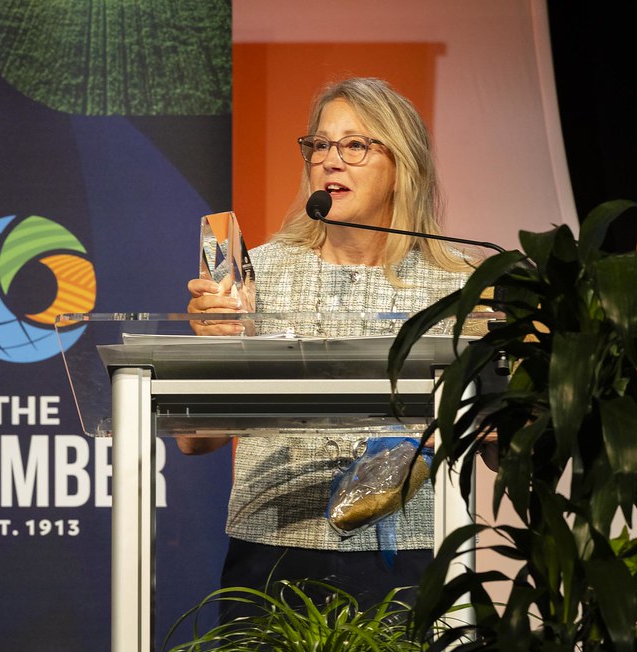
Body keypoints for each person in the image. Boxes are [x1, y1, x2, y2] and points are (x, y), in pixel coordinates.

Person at [177, 77, 489, 619]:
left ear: (403, 165)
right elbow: (195, 441)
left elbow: (498, 445)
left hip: (413, 556)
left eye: (355, 145)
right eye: (319, 144)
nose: (329, 161)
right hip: (272, 557)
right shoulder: (257, 274)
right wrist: (213, 348)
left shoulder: (461, 287)